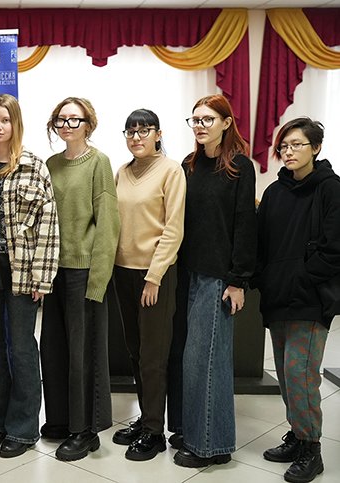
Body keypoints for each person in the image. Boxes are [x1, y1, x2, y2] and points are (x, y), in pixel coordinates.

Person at [0, 94, 59, 458]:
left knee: (21, 347)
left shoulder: (34, 166)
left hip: (22, 269)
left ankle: (22, 428)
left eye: (5, 120)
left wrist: (42, 277)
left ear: (15, 124)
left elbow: (49, 224)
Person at [254, 117, 340, 483]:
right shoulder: (275, 192)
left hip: (310, 299)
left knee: (300, 374)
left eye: (297, 144)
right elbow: (261, 243)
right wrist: (264, 279)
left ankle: (311, 449)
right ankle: (298, 434)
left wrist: (304, 276)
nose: (288, 152)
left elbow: (335, 248)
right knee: (287, 377)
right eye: (284, 146)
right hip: (278, 298)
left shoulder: (331, 189)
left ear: (316, 148)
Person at [173, 94, 257, 468]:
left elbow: (245, 225)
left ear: (226, 123)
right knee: (197, 361)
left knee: (205, 363)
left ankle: (209, 446)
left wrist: (238, 280)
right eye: (195, 119)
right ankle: (206, 437)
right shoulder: (188, 165)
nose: (200, 125)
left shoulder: (240, 167)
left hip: (218, 278)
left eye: (208, 119)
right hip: (186, 274)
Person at [41, 97, 120, 461]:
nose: (68, 125)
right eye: (62, 119)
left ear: (89, 123)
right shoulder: (51, 164)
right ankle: (60, 419)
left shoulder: (98, 162)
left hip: (84, 270)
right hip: (53, 270)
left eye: (75, 119)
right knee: (54, 348)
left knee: (84, 353)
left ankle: (85, 430)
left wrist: (99, 279)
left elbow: (108, 222)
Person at [112, 109, 186, 461]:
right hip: (122, 272)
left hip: (154, 274)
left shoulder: (171, 170)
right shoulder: (122, 172)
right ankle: (146, 419)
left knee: (153, 356)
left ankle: (155, 433)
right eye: (130, 131)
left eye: (144, 131)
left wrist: (154, 277)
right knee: (136, 351)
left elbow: (173, 228)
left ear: (158, 134)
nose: (136, 137)